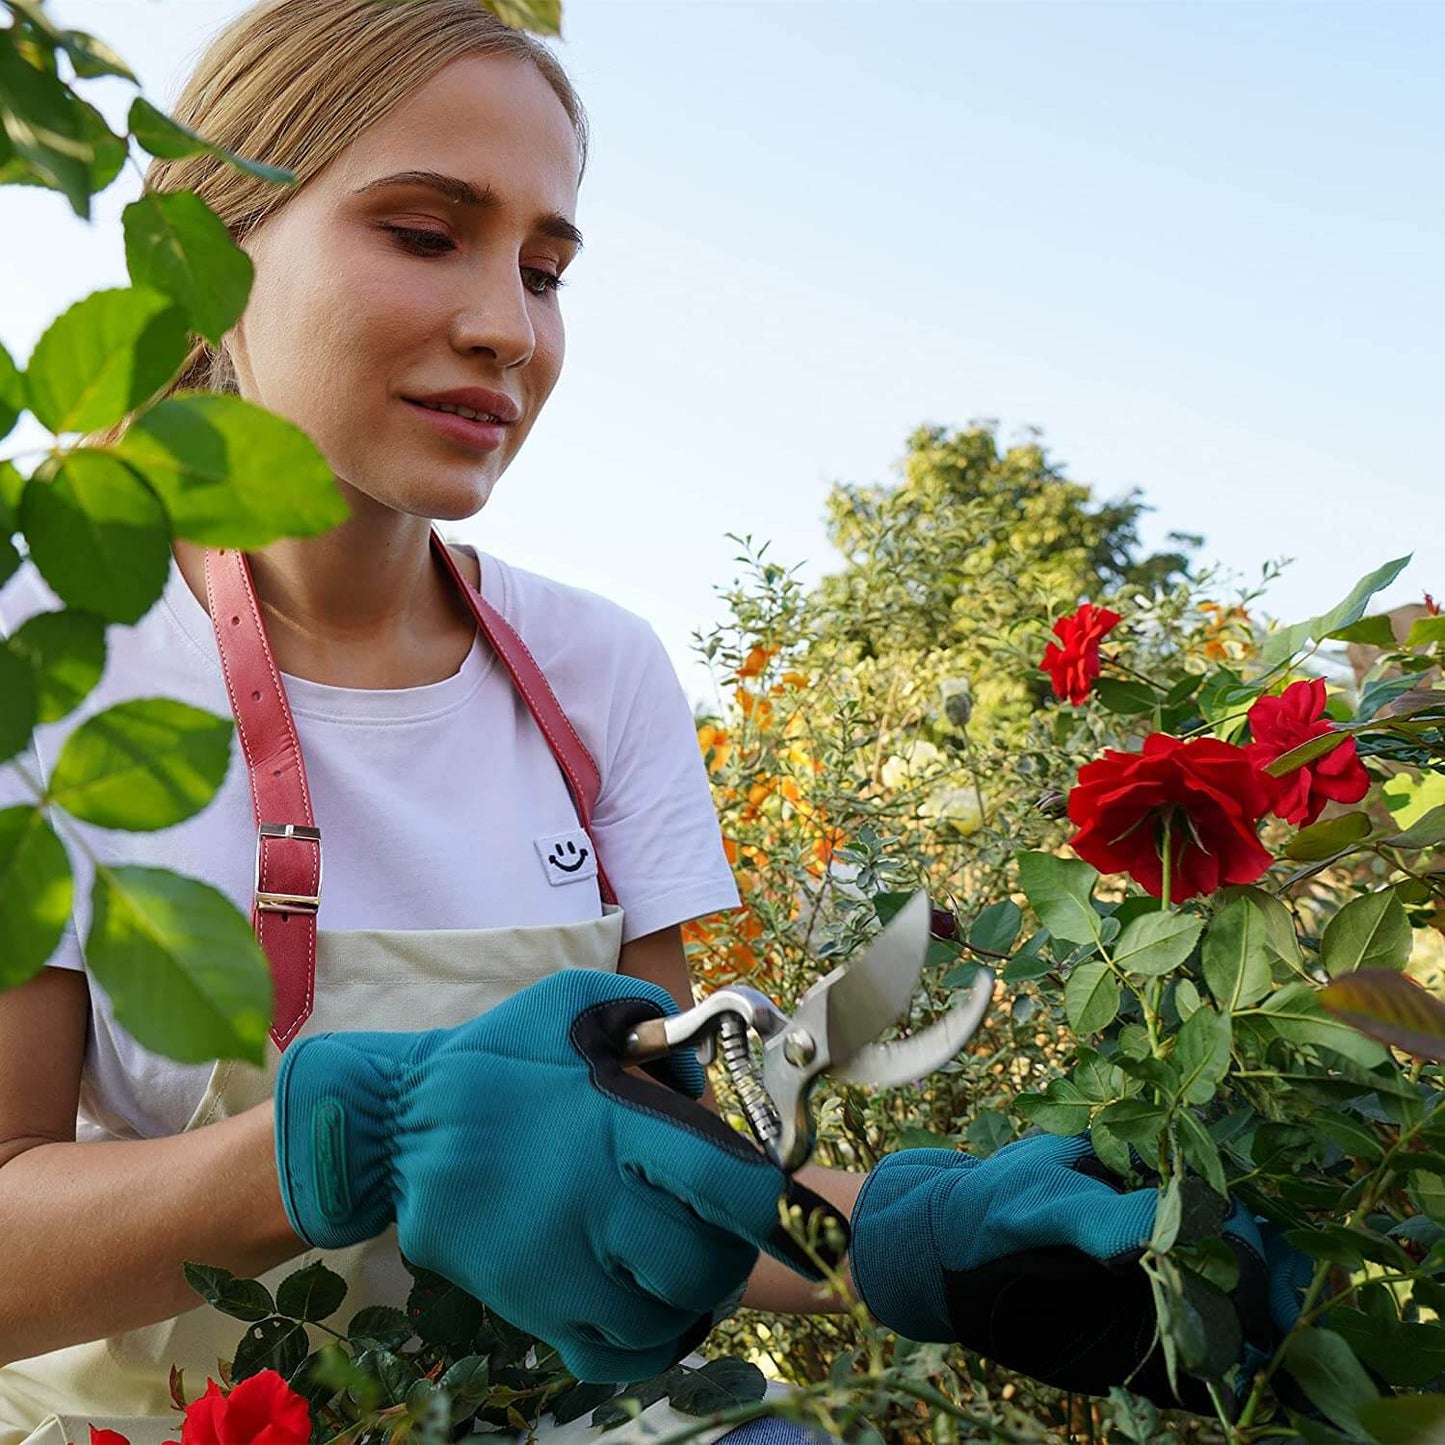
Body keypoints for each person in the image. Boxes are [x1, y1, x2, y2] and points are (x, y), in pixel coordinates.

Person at [0, 3, 1303, 1442]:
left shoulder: (596, 673)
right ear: (207, 258)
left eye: (544, 267)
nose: (506, 324)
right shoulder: (44, 662)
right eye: (426, 234)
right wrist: (341, 1140)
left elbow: (653, 1181)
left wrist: (904, 1243)